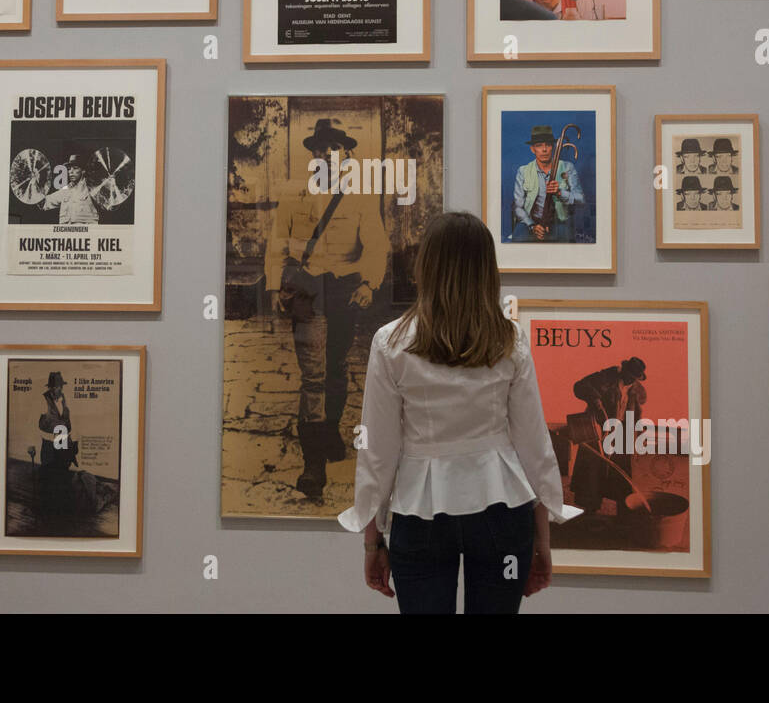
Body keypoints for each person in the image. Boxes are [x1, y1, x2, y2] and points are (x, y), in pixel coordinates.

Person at [338, 211, 579, 613]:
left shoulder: (390, 343)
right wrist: (543, 540)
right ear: (487, 269)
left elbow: (377, 455)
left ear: (425, 266)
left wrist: (372, 541)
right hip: (503, 514)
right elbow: (534, 448)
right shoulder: (510, 341)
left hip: (420, 516)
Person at [264, 118, 387, 500]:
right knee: (313, 376)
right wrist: (273, 285)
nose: (326, 155)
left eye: (333, 148)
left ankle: (330, 432)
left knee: (336, 369)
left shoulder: (361, 196)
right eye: (319, 149)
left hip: (344, 291)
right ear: (313, 155)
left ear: (346, 153)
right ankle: (312, 464)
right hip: (307, 290)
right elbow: (276, 242)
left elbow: (377, 245)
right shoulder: (293, 193)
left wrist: (369, 283)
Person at [568, 358, 647, 518]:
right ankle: (589, 514)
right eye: (629, 375)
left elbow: (637, 413)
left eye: (634, 378)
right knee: (592, 471)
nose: (630, 380)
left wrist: (638, 435)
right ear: (624, 370)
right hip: (597, 428)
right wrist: (597, 406)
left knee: (621, 471)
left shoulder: (636, 389)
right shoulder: (606, 377)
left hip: (620, 434)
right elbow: (580, 387)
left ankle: (624, 514)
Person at [510, 125, 583, 242]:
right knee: (516, 242)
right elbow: (518, 207)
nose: (544, 150)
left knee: (567, 248)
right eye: (539, 145)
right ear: (532, 149)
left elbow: (580, 199)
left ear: (553, 147)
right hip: (531, 223)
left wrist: (560, 193)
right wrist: (532, 226)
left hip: (559, 222)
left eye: (548, 145)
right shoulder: (523, 171)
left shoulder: (567, 167)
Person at [37, 371, 78, 521]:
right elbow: (38, 424)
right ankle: (47, 512)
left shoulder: (63, 399)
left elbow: (66, 419)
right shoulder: (43, 400)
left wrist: (70, 437)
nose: (59, 389)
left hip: (63, 441)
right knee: (49, 476)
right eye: (56, 387)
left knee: (62, 475)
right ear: (50, 388)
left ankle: (61, 511)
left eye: (60, 386)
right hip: (50, 443)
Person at [42, 154, 100, 224]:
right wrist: (33, 186)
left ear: (83, 171)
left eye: (75, 168)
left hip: (86, 233)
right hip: (67, 233)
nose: (70, 172)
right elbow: (45, 202)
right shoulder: (65, 189)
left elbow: (110, 203)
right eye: (69, 169)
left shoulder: (93, 187)